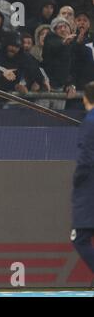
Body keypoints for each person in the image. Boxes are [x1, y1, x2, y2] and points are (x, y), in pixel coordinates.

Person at [71, 81, 94, 278]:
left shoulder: (89, 122)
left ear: (85, 98)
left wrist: (77, 180)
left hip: (89, 190)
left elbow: (85, 158)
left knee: (80, 238)